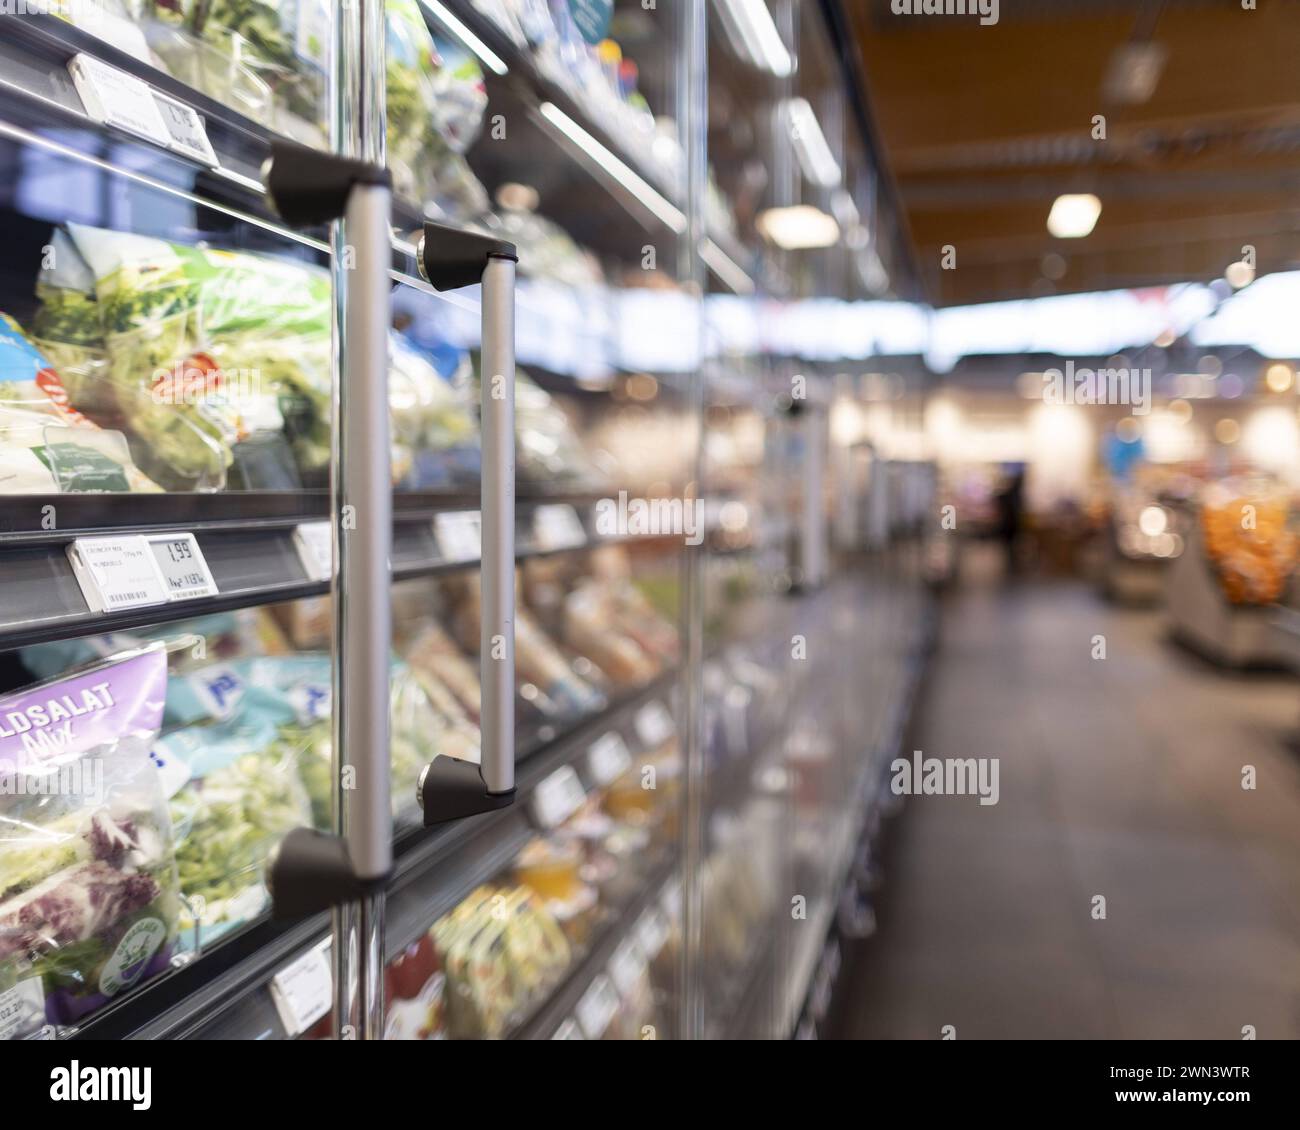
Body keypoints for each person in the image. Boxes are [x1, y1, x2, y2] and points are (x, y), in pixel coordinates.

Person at [993, 467, 1025, 574]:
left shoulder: (1011, 495)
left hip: (1010, 524)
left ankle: (1012, 563)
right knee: (1010, 546)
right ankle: (1012, 563)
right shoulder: (1015, 495)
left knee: (1010, 546)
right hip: (1011, 524)